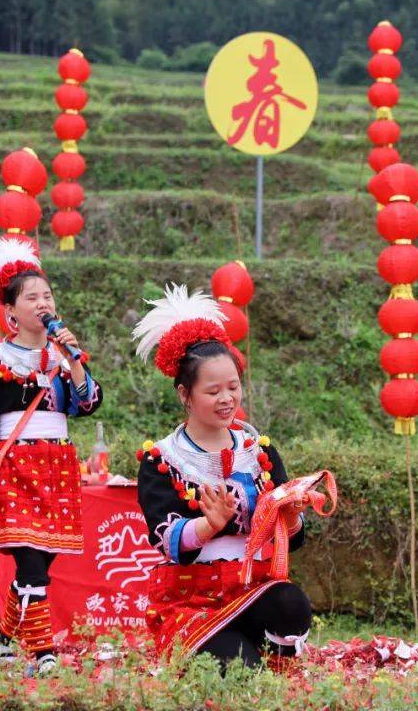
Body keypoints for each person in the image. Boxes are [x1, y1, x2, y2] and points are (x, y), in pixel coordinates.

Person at [132, 284, 311, 670]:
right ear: (185, 394)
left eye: (233, 387)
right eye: (213, 391)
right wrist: (207, 526)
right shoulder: (162, 459)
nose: (227, 398)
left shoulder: (258, 450)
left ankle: (263, 653)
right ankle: (234, 652)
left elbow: (290, 539)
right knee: (237, 670)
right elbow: (166, 540)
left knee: (292, 604)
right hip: (191, 595)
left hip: (251, 586)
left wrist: (292, 514)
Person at [0, 236, 102, 673]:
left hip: (57, 465)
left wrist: (74, 360)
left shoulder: (62, 355)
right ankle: (41, 653)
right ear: (11, 312)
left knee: (43, 558)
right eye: (32, 297)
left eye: (48, 295)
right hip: (14, 465)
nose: (43, 302)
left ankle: (4, 641)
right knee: (31, 559)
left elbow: (89, 403)